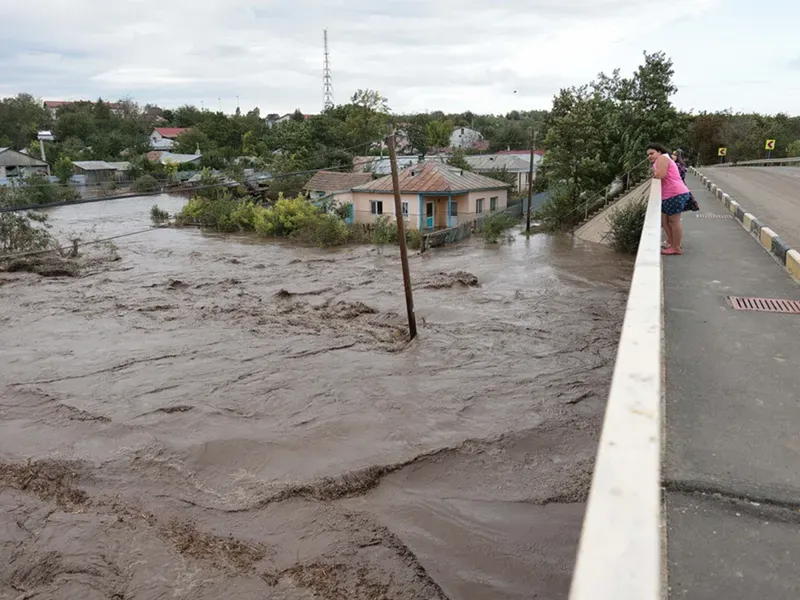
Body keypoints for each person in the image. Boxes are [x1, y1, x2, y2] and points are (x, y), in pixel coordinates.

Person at [647, 143, 691, 255]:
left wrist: (654, 172)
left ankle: (676, 247)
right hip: (669, 194)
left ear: (659, 152)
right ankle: (672, 243)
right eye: (648, 155)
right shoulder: (661, 159)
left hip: (675, 193)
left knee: (674, 221)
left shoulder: (662, 158)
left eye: (652, 153)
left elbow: (660, 175)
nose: (649, 157)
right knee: (665, 221)